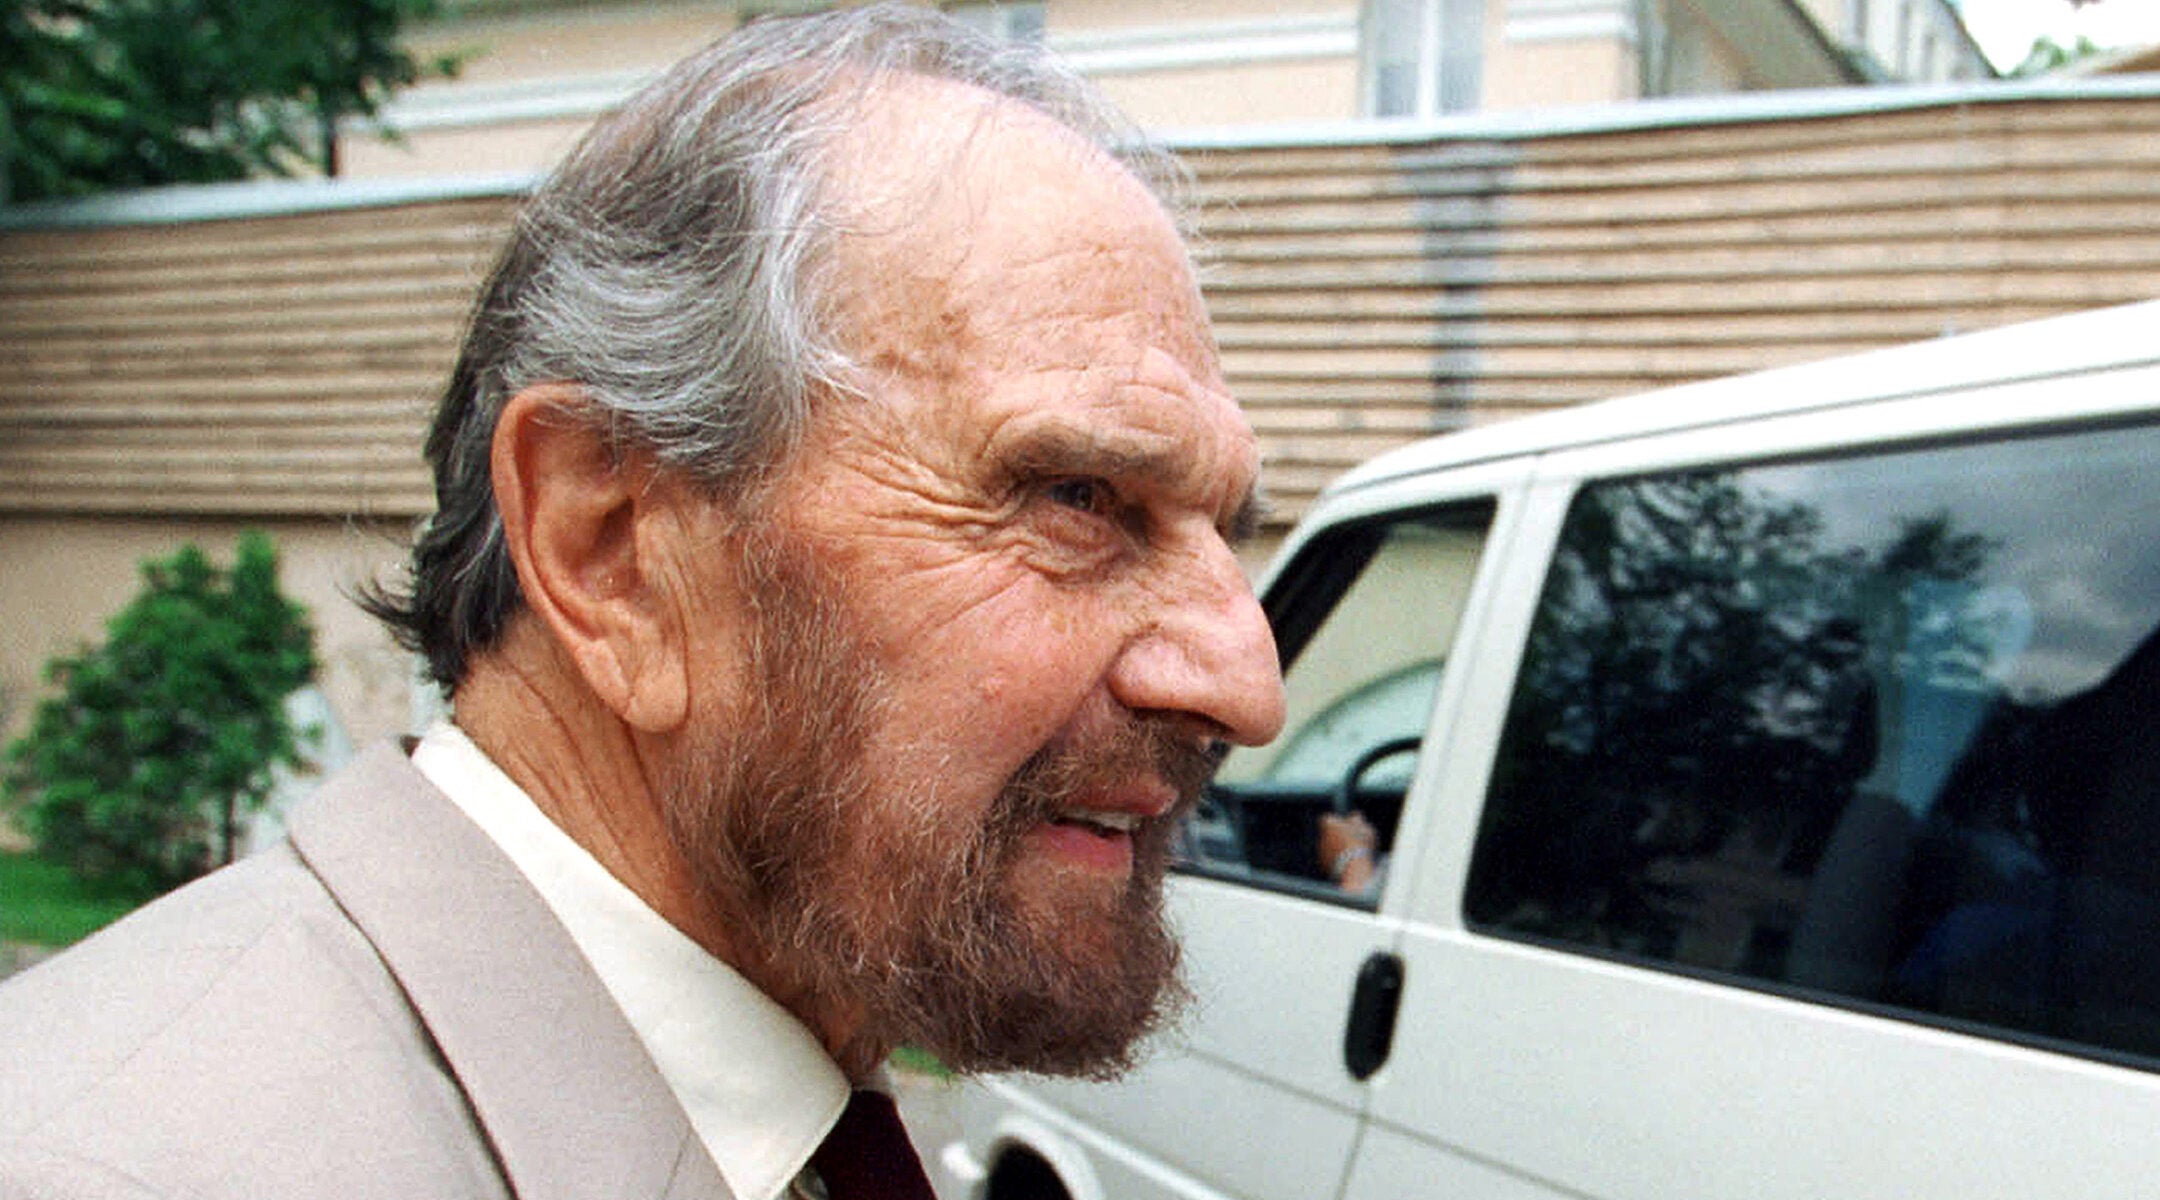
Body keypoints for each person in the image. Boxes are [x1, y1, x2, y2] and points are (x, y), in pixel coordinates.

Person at [0, 7, 1285, 1199]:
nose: (1247, 682)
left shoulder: (793, 1086)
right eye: (1074, 495)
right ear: (610, 550)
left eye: (1222, 530)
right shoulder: (106, 1164)